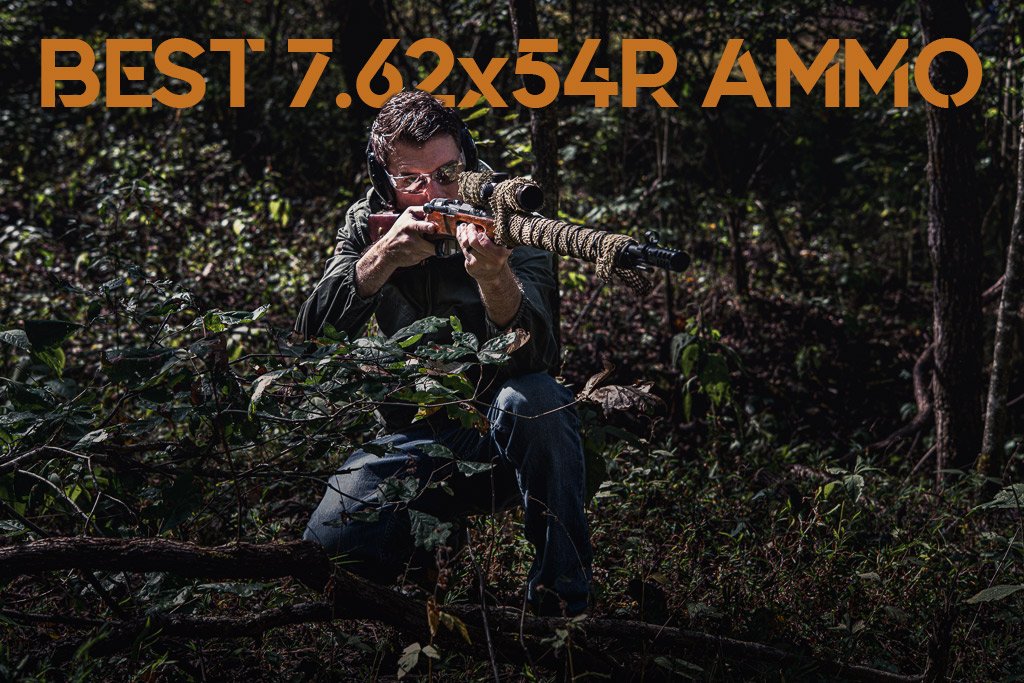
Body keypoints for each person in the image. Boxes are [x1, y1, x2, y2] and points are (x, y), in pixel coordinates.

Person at [296, 90, 592, 616]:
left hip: (502, 429)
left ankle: (562, 606)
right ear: (382, 177)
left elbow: (538, 354)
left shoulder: (510, 209)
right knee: (329, 554)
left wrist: (495, 278)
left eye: (448, 172)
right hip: (414, 434)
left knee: (539, 402)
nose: (432, 191)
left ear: (468, 159)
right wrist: (381, 258)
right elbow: (311, 338)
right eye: (411, 179)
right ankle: (428, 565)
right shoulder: (366, 221)